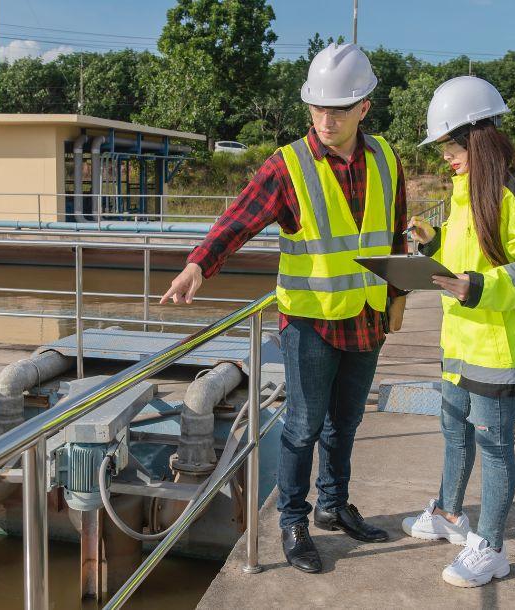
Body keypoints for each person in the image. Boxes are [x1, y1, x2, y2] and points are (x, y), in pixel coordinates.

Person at [160, 43, 409, 574]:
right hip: (311, 321)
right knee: (301, 426)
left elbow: (395, 237)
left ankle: (333, 506)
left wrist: (397, 299)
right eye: (318, 107)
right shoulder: (288, 165)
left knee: (346, 422)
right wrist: (198, 266)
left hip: (366, 315)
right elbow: (239, 219)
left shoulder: (386, 158)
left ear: (364, 106)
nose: (326, 119)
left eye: (338, 108)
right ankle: (292, 522)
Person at [401, 76, 515, 588]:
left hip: (500, 345)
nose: (446, 156)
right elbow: (461, 262)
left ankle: (492, 548)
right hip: (463, 339)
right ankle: (451, 516)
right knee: (453, 428)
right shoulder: (465, 194)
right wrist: (430, 248)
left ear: (477, 138)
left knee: (494, 444)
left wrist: (478, 286)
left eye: (451, 145)